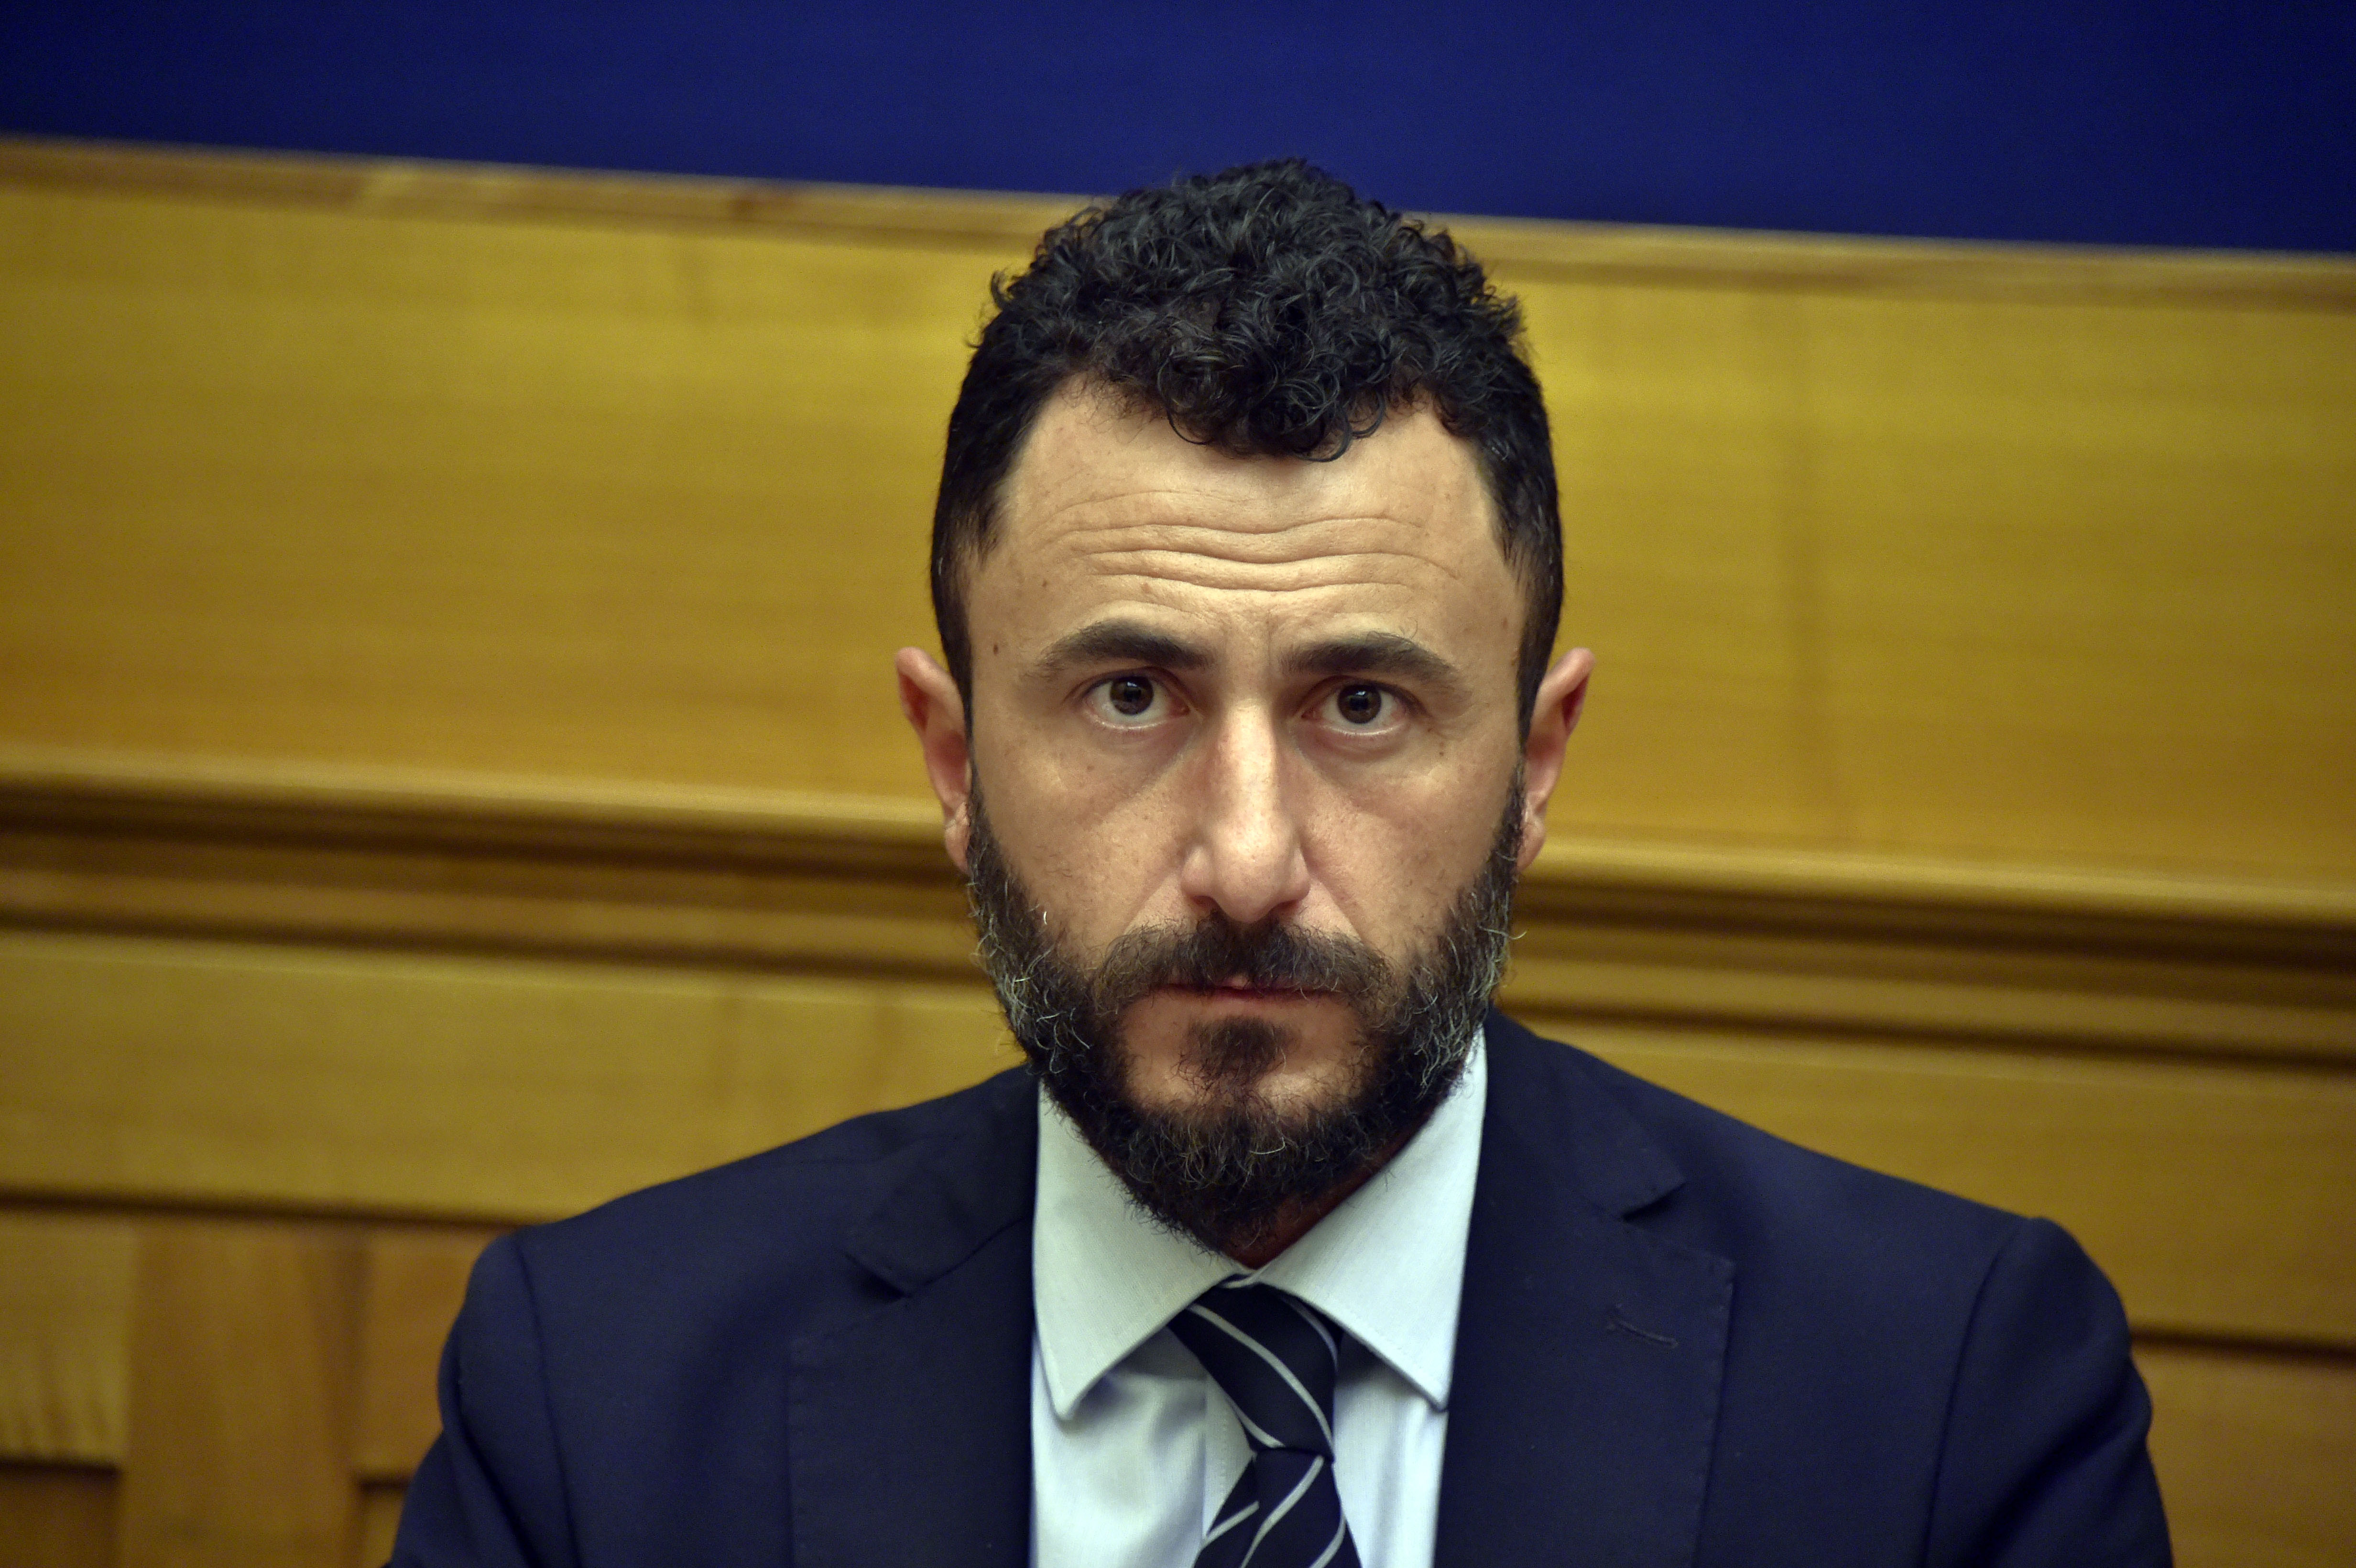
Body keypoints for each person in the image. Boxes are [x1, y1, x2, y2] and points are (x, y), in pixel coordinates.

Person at [391, 161, 2169, 1567]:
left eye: (1363, 706)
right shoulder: (597, 1403)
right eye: (1131, 695)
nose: (1245, 863)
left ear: (1537, 765)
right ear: (952, 761)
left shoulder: (1947, 1405)